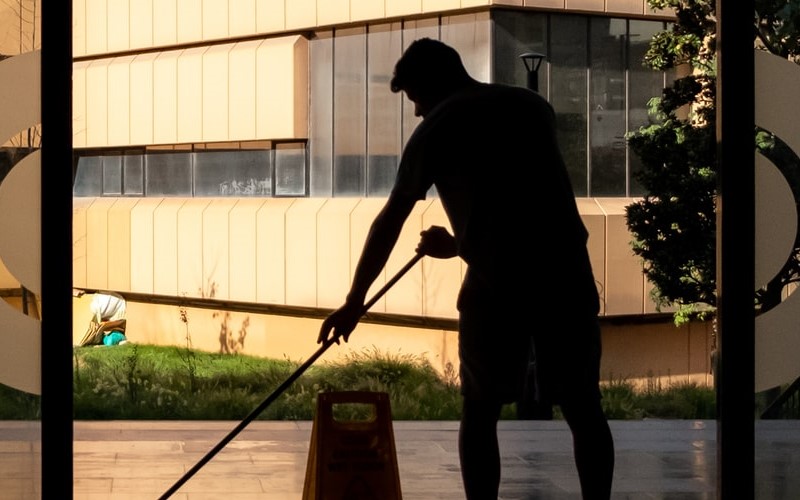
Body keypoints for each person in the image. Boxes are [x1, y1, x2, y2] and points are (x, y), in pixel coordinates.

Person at [317, 38, 614, 500]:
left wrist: (355, 302)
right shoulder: (533, 107)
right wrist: (459, 244)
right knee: (583, 406)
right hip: (565, 274)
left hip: (497, 288)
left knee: (480, 408)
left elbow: (390, 221)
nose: (416, 111)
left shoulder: (438, 127)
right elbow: (523, 212)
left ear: (430, 85)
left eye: (415, 98)